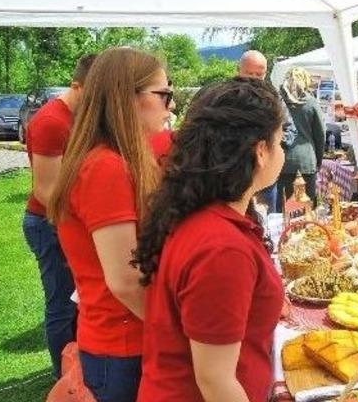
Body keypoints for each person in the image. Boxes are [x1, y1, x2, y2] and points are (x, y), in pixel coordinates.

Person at [134, 80, 286, 401]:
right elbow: (216, 382)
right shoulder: (222, 248)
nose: (282, 151)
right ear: (260, 151)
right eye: (280, 141)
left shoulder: (206, 215)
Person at [48, 47, 173, 402]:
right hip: (121, 347)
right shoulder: (106, 167)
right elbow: (125, 280)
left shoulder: (112, 160)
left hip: (120, 342)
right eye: (164, 94)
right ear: (126, 97)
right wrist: (177, 332)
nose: (171, 105)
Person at [22, 54, 94, 379]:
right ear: (77, 86)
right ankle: (63, 378)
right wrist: (88, 222)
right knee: (62, 305)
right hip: (49, 224)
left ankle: (77, 369)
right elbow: (45, 191)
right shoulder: (51, 121)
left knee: (78, 303)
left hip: (67, 221)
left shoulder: (78, 115)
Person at [239, 50, 297, 213]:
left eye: (259, 74)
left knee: (266, 225)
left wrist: (270, 145)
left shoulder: (274, 98)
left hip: (265, 178)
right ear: (239, 70)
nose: (254, 79)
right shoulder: (225, 97)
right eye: (249, 74)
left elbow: (291, 130)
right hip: (234, 178)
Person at [277, 67, 325, 210]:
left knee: (284, 209)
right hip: (306, 161)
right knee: (307, 208)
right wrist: (318, 160)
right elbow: (320, 134)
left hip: (282, 161)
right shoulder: (310, 102)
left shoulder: (278, 101)